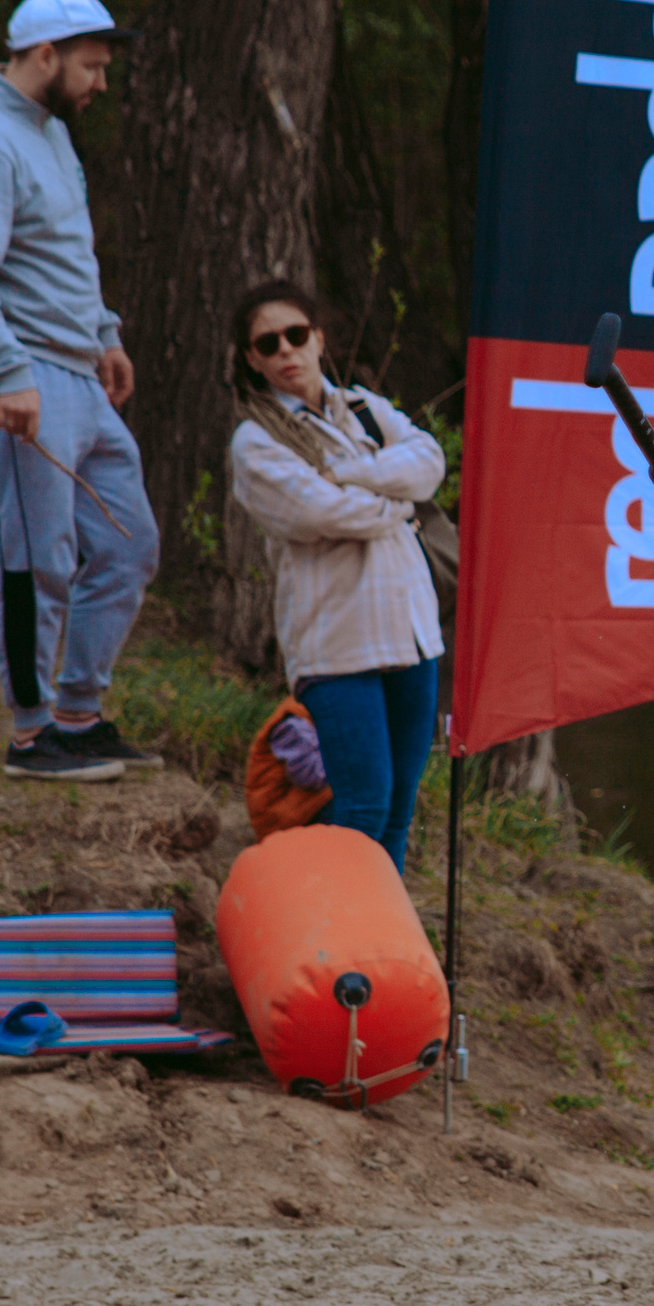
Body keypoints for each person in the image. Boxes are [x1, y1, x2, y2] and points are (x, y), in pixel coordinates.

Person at [0, 0, 158, 781]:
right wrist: (10, 373)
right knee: (39, 556)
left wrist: (105, 333)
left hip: (76, 372)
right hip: (17, 376)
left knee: (129, 544)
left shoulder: (51, 134)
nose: (101, 83)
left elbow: (65, 253)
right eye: (92, 67)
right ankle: (31, 737)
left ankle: (79, 712)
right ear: (44, 56)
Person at [226, 282, 444, 871]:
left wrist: (350, 472)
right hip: (337, 645)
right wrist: (392, 502)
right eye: (267, 344)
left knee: (400, 807)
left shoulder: (366, 410)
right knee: (361, 808)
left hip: (412, 631)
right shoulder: (257, 440)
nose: (285, 352)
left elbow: (429, 465)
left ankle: (383, 945)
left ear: (319, 338)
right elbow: (316, 512)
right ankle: (336, 946)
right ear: (252, 358)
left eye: (296, 335)